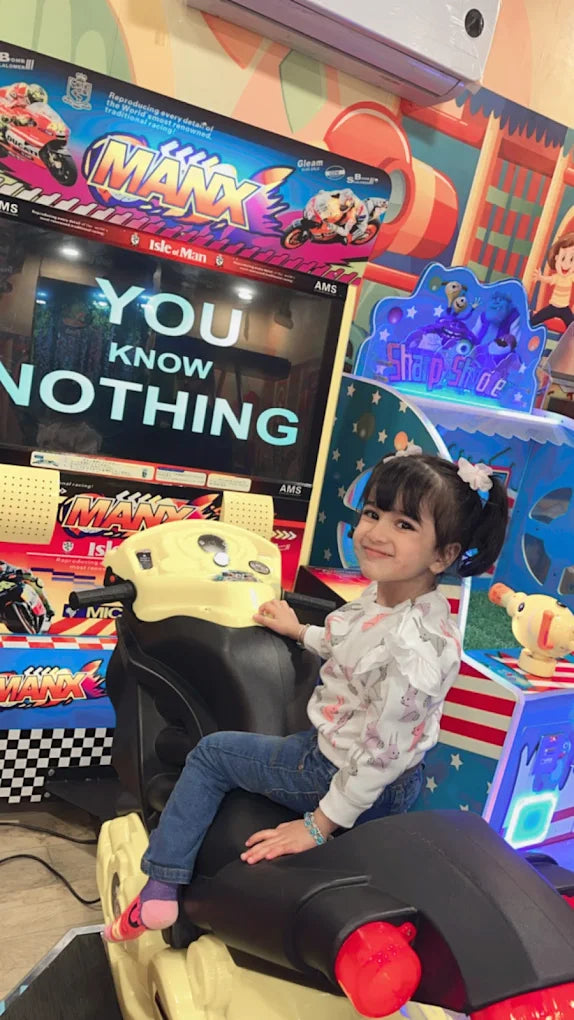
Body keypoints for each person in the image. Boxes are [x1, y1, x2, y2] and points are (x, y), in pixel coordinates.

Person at [105, 451, 508, 942]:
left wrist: (316, 827)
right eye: (372, 514)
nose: (376, 533)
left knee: (211, 754)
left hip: (335, 772)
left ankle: (161, 887)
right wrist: (299, 630)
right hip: (392, 779)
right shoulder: (390, 599)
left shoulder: (415, 649)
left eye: (404, 524)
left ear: (444, 555)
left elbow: (377, 758)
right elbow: (350, 642)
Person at [532, 232, 574, 329]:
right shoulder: (557, 277)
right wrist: (540, 277)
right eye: (563, 258)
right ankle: (530, 324)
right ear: (556, 258)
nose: (566, 264)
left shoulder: (571, 277)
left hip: (564, 308)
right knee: (538, 318)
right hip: (553, 306)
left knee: (571, 327)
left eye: (572, 260)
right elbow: (548, 279)